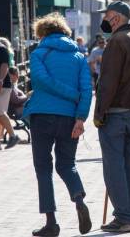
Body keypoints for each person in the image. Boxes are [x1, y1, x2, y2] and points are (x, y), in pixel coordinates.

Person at [23, 13, 93, 237]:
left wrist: (69, 94)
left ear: (42, 33)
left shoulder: (39, 54)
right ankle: (79, 198)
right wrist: (81, 117)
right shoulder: (79, 56)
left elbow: (41, 80)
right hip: (70, 118)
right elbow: (87, 90)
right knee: (67, 164)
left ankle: (51, 222)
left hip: (42, 115)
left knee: (43, 169)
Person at [94, 1, 130, 233]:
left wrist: (98, 113)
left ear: (116, 17)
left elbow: (108, 82)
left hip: (116, 112)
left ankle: (125, 217)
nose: (105, 20)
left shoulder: (117, 42)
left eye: (107, 16)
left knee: (114, 167)